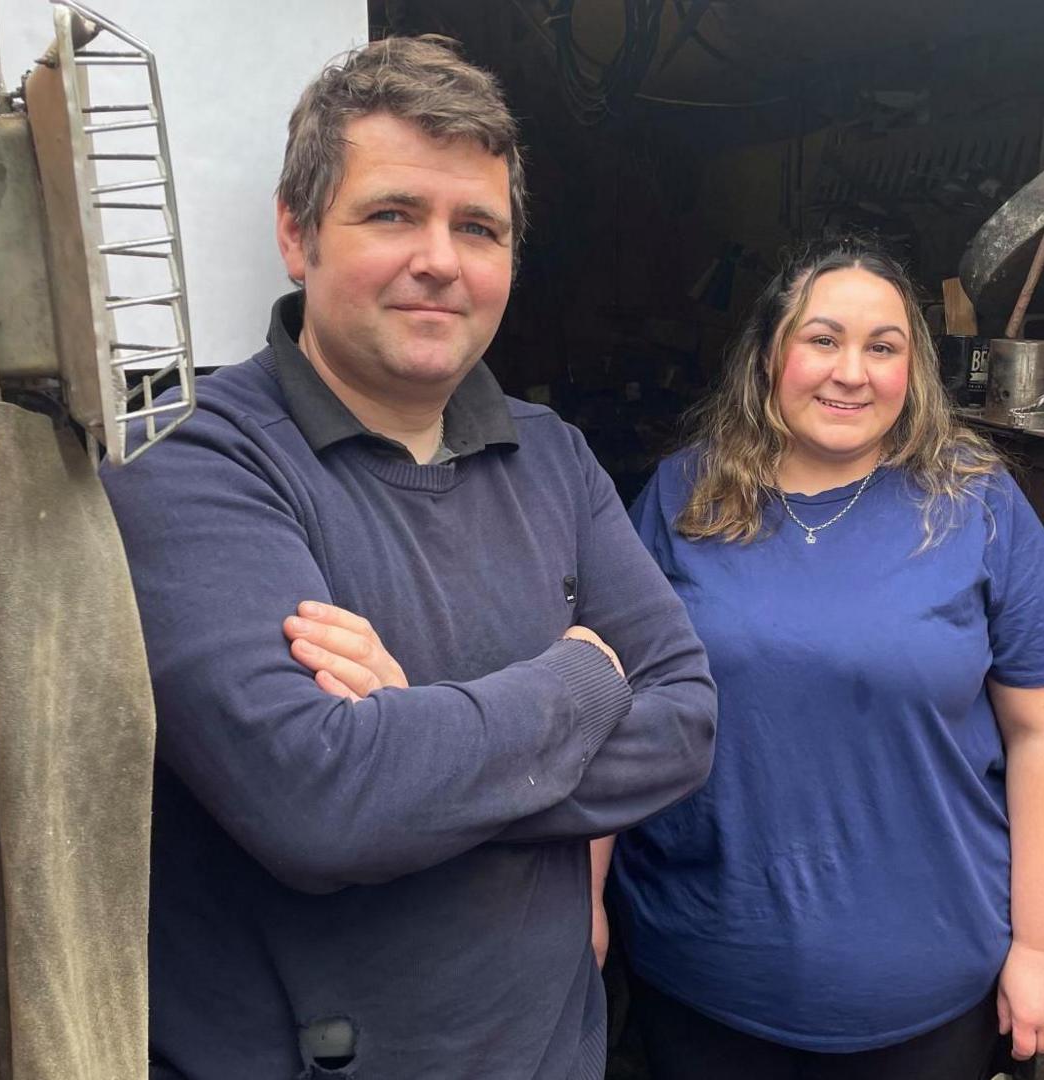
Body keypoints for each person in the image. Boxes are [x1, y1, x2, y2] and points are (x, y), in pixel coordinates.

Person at [102, 36, 717, 1080]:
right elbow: (321, 804)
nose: (441, 257)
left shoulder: (552, 454)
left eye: (478, 227)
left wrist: (409, 734)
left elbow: (687, 720)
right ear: (297, 234)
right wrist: (577, 680)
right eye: (393, 214)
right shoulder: (190, 449)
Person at [607, 237, 1044, 1079]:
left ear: (912, 370)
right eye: (822, 339)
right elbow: (613, 708)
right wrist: (584, 907)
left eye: (884, 348)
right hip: (704, 979)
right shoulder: (681, 497)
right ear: (771, 355)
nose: (853, 372)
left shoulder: (975, 502)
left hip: (929, 992)